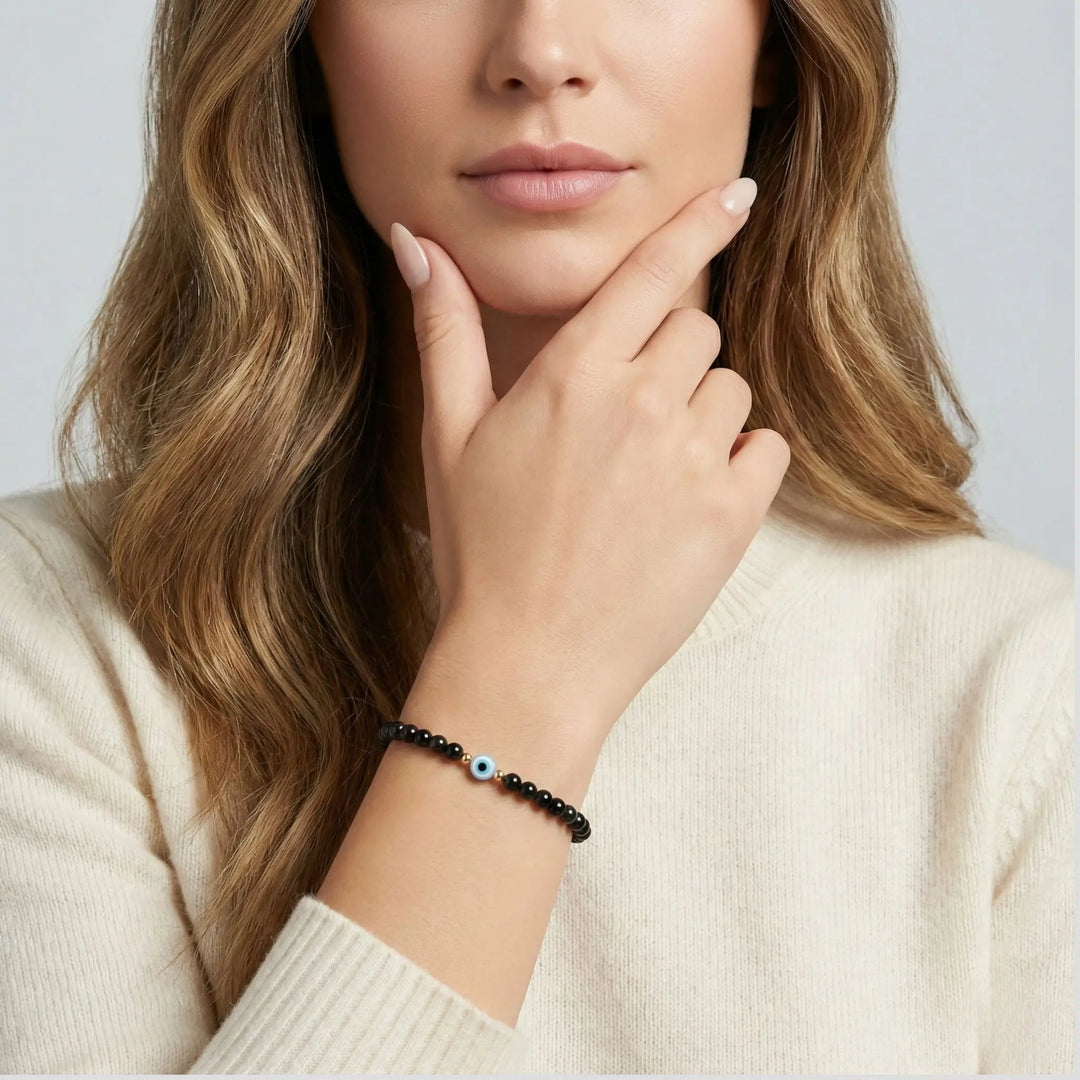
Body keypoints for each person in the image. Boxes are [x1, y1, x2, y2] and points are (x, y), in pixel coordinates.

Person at [0, 0, 1071, 1073]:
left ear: (780, 46)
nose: (540, 54)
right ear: (302, 41)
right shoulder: (47, 636)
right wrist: (520, 664)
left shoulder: (1020, 685)